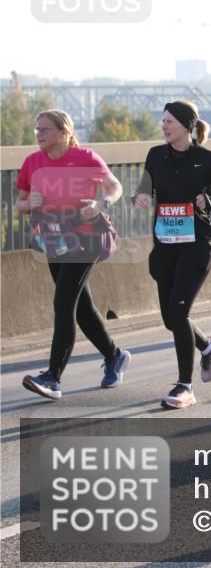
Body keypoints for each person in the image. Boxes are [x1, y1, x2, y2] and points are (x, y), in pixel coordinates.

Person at [19, 110, 132, 400]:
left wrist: (101, 203)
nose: (39, 135)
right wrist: (29, 203)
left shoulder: (86, 158)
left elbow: (115, 187)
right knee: (81, 307)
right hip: (54, 241)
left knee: (63, 302)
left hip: (86, 238)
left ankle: (53, 377)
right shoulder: (33, 162)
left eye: (44, 129)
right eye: (37, 130)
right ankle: (114, 355)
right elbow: (21, 203)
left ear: (64, 132)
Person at [133, 101, 211, 409]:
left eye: (170, 122)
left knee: (178, 313)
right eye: (162, 121)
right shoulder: (155, 155)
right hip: (165, 246)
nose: (164, 126)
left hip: (197, 244)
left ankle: (184, 386)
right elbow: (146, 185)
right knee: (170, 318)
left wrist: (210, 202)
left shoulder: (206, 159)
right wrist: (139, 194)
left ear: (186, 126)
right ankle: (207, 347)